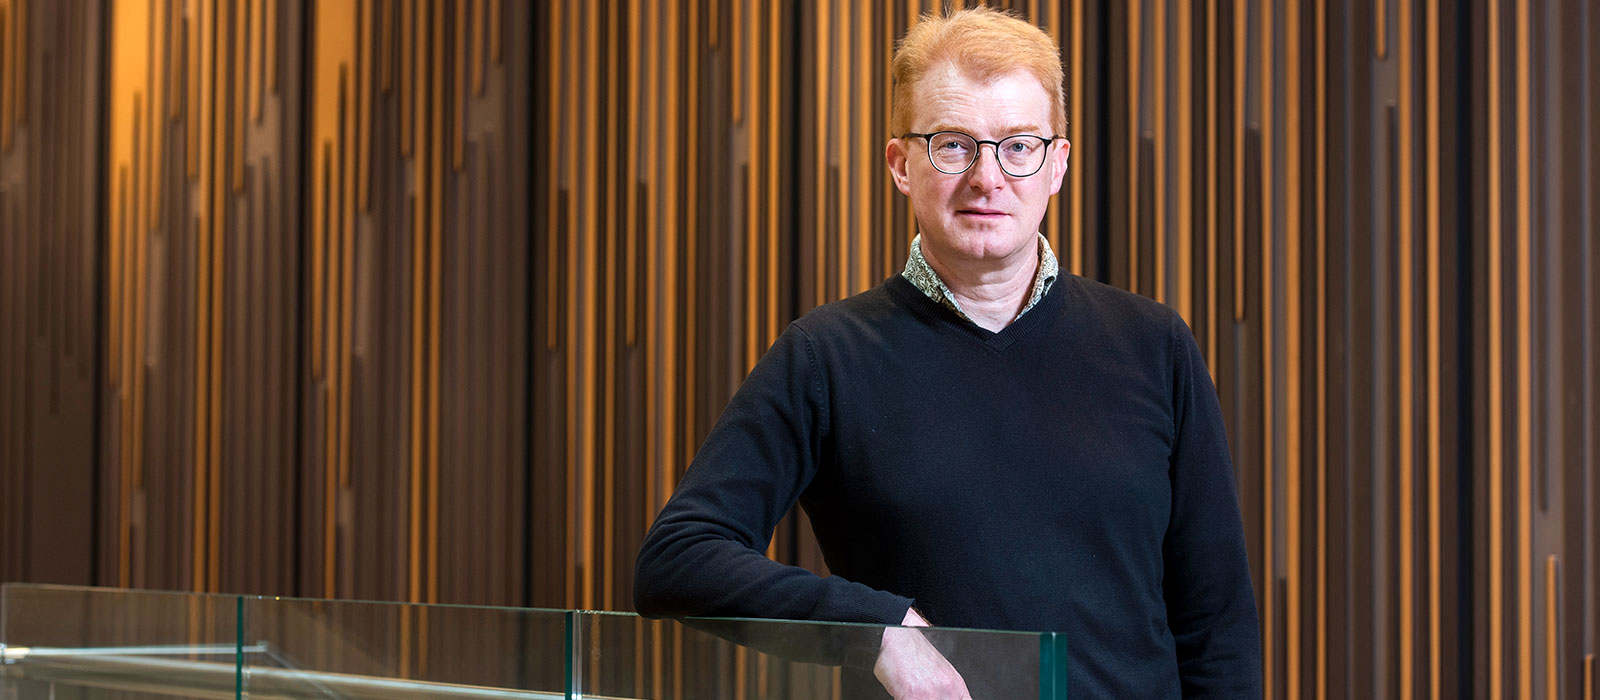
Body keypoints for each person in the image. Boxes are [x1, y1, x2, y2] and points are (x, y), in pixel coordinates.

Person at [634, 7, 1262, 698]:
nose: (988, 178)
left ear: (1057, 165)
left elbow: (1216, 627)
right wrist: (879, 628)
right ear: (902, 165)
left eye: (1018, 146)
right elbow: (678, 559)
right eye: (953, 145)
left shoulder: (1154, 345)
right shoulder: (825, 359)